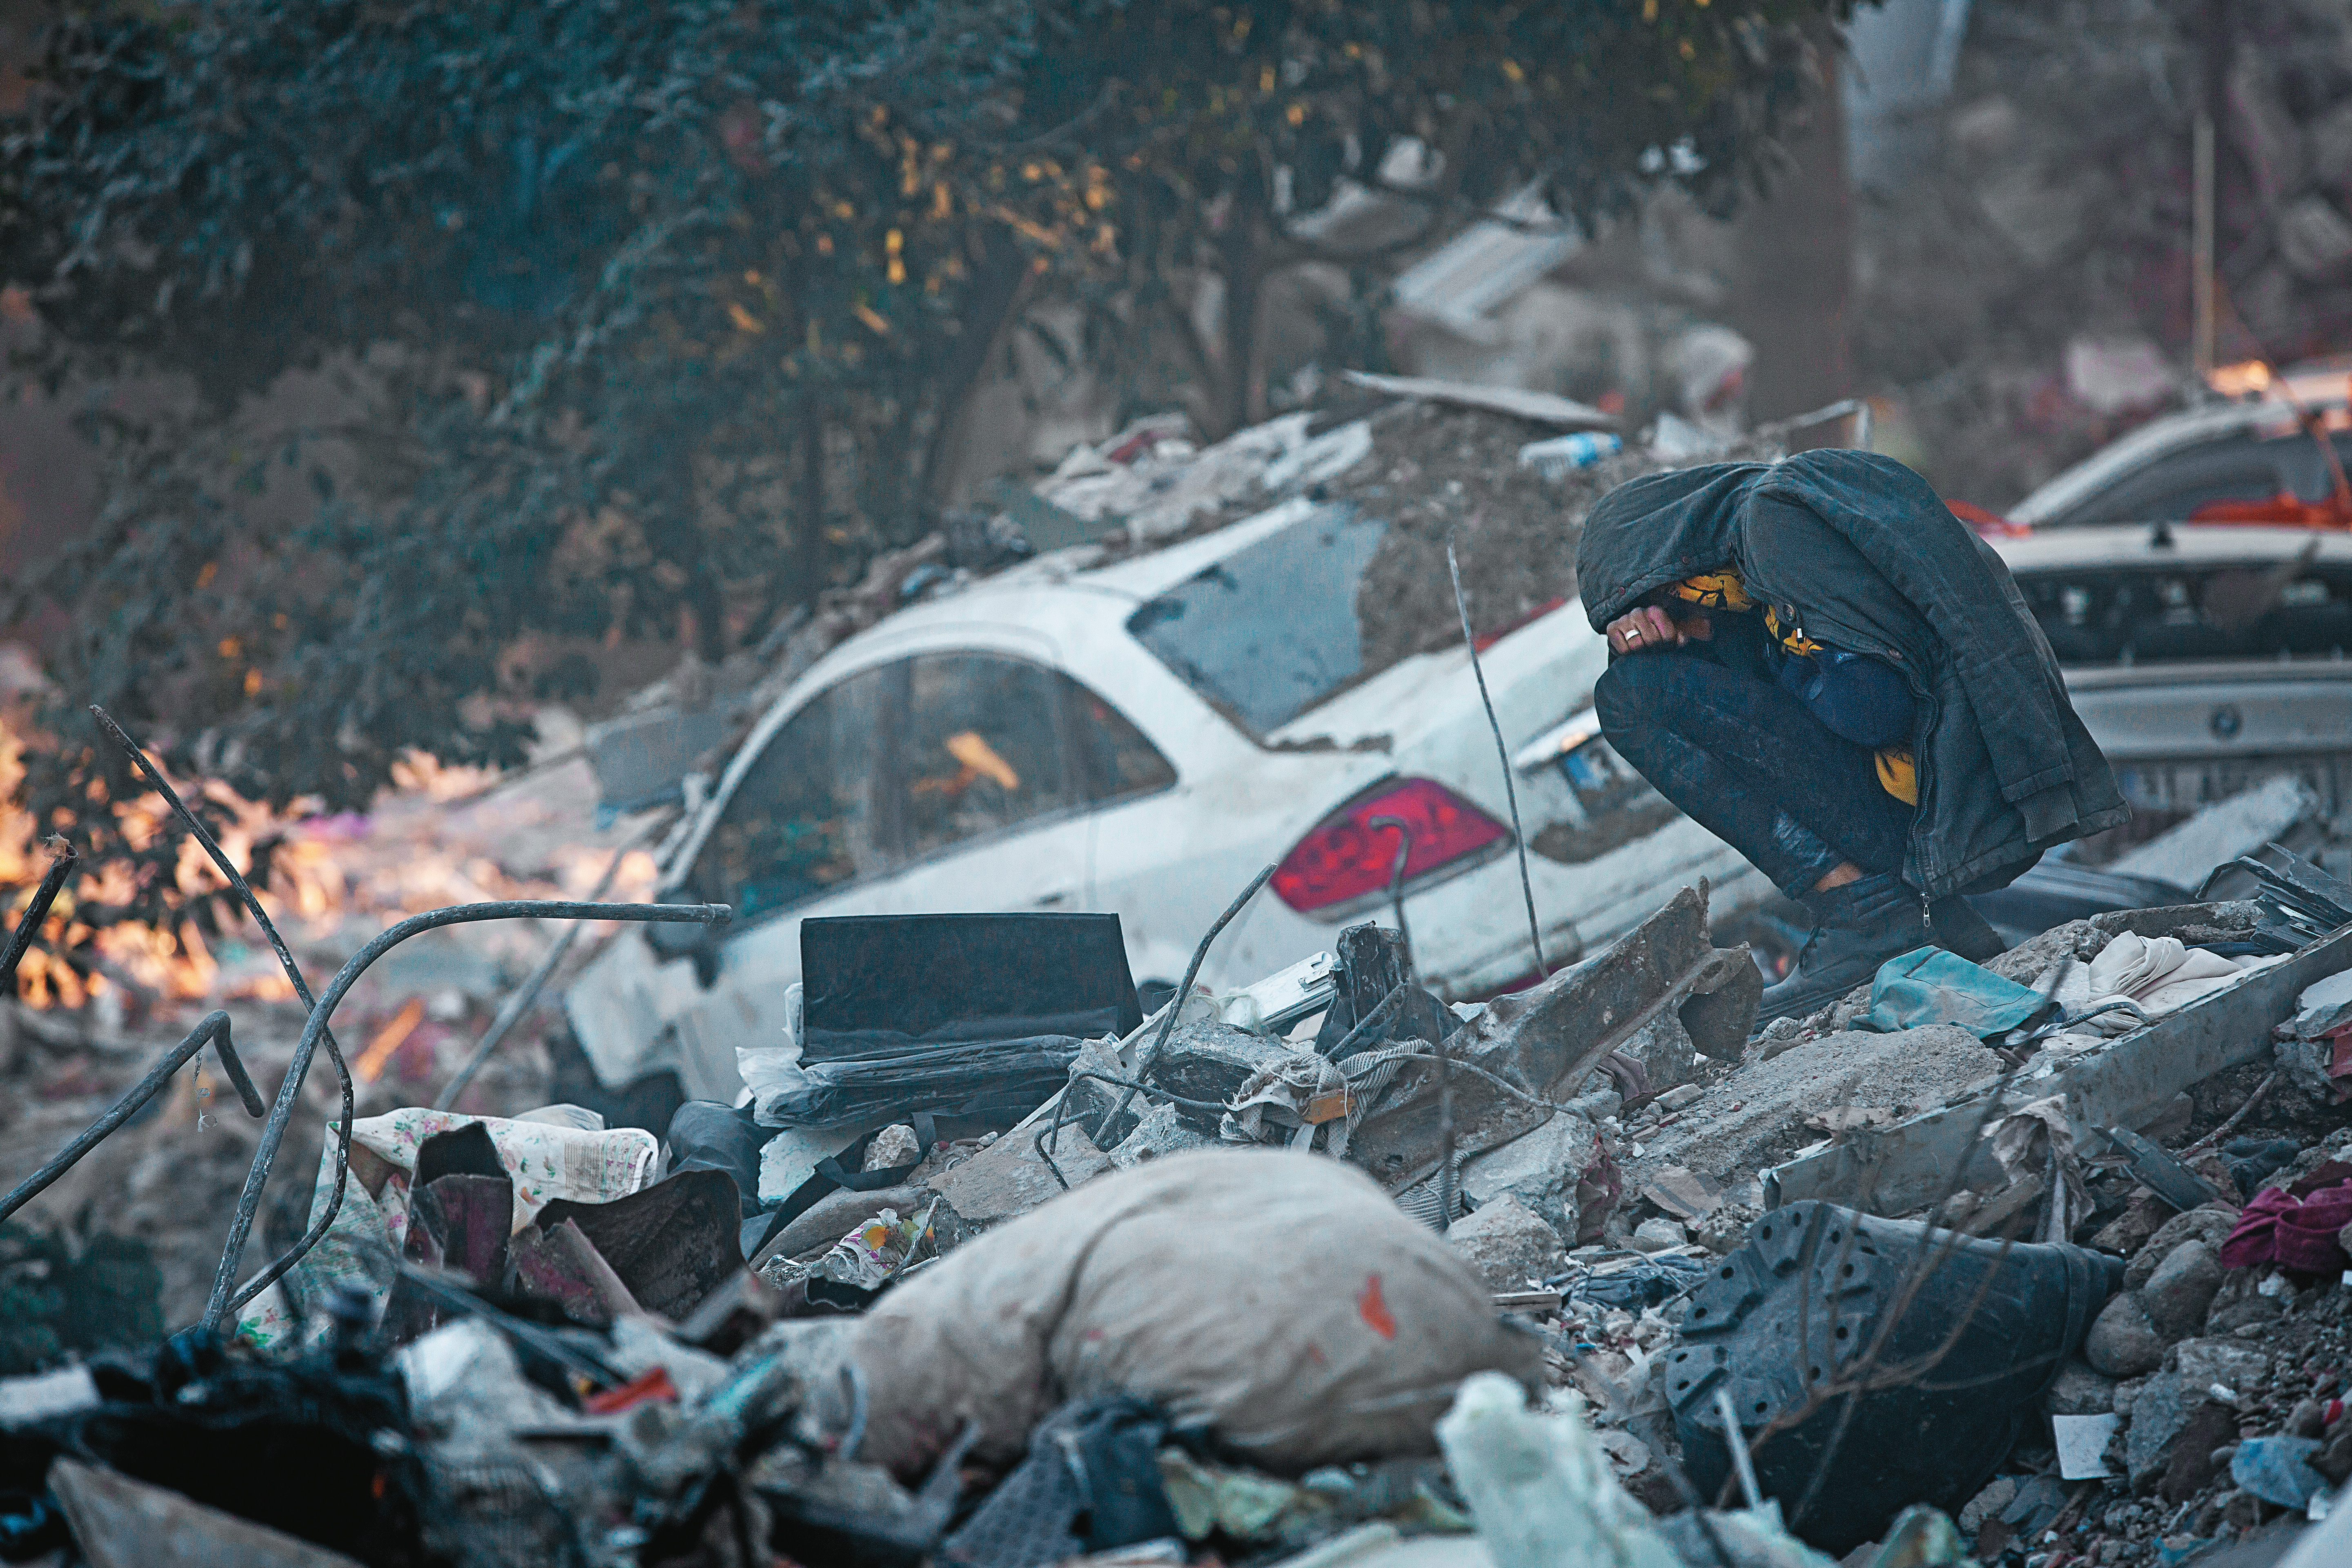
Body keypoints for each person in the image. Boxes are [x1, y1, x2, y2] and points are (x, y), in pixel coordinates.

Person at [1576, 448, 2126, 1022]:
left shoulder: (1775, 526)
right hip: (1946, 798)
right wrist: (1698, 642)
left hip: (1950, 790)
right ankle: (1912, 914)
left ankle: (1867, 912)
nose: (1686, 609)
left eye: (1669, 602)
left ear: (1673, 564)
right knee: (1638, 683)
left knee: (1629, 699)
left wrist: (1724, 642)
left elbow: (1873, 709)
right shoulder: (1767, 536)